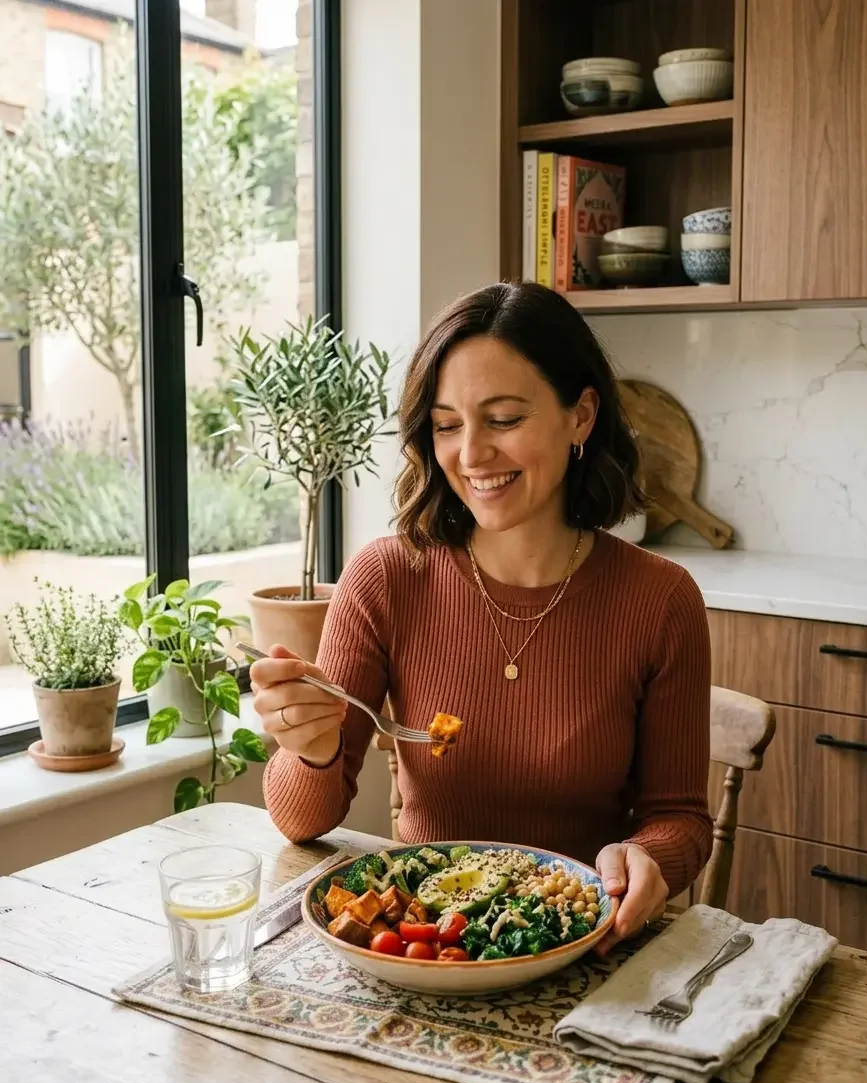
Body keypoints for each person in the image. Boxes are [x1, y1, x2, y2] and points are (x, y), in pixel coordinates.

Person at [250, 281, 713, 951]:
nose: (471, 455)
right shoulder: (386, 578)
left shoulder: (660, 599)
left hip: (581, 938)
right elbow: (300, 821)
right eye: (446, 425)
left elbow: (679, 818)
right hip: (426, 945)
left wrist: (648, 858)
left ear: (580, 416)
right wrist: (312, 749)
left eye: (503, 419)